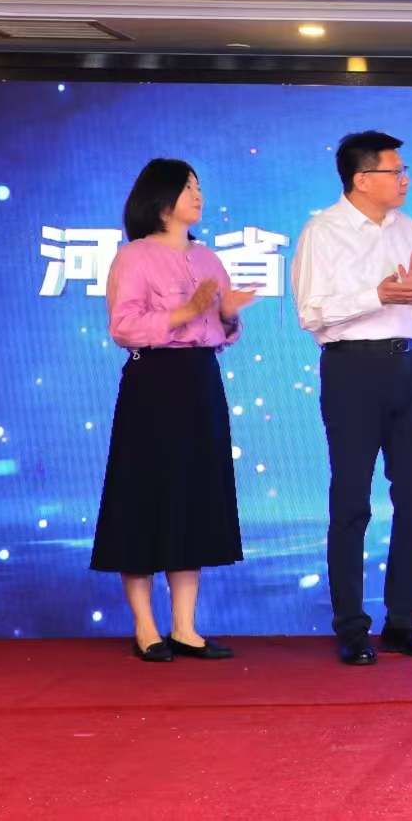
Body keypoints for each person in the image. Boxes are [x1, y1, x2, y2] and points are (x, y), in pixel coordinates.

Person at [292, 131, 412, 667]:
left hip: (409, 364)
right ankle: (351, 627)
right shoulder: (323, 231)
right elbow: (311, 312)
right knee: (352, 502)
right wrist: (378, 294)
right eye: (396, 171)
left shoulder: (406, 227)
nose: (406, 180)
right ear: (362, 179)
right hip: (352, 369)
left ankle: (403, 621)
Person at [92, 158, 256, 663]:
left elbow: (221, 332)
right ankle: (146, 627)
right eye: (188, 187)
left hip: (201, 381)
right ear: (161, 199)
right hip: (154, 383)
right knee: (143, 499)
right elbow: (123, 327)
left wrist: (228, 315)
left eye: (199, 186)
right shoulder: (134, 257)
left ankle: (185, 627)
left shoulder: (207, 257)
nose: (198, 195)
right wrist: (184, 312)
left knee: (192, 500)